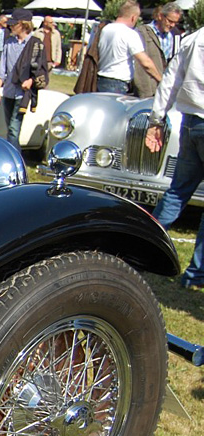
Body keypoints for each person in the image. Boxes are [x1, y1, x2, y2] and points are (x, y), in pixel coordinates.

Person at [146, 30, 204, 289]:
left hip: (191, 123)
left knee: (177, 192)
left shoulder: (193, 38)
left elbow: (170, 80)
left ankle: (146, 251)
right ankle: (196, 274)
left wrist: (157, 118)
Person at [96, 0, 161, 94]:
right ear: (133, 17)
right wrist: (160, 79)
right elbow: (145, 62)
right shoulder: (129, 33)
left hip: (102, 80)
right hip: (118, 83)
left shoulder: (106, 29)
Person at [0, 8, 36, 150]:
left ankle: (14, 159)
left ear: (23, 25)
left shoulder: (34, 44)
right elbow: (2, 68)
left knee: (13, 128)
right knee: (10, 128)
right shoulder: (9, 43)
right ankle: (15, 156)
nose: (10, 26)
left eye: (14, 24)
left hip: (22, 94)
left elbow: (40, 69)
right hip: (9, 91)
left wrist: (30, 81)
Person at [133, 3, 182, 98]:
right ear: (160, 16)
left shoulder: (174, 36)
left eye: (175, 23)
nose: (172, 25)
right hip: (147, 87)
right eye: (170, 21)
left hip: (164, 89)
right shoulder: (142, 32)